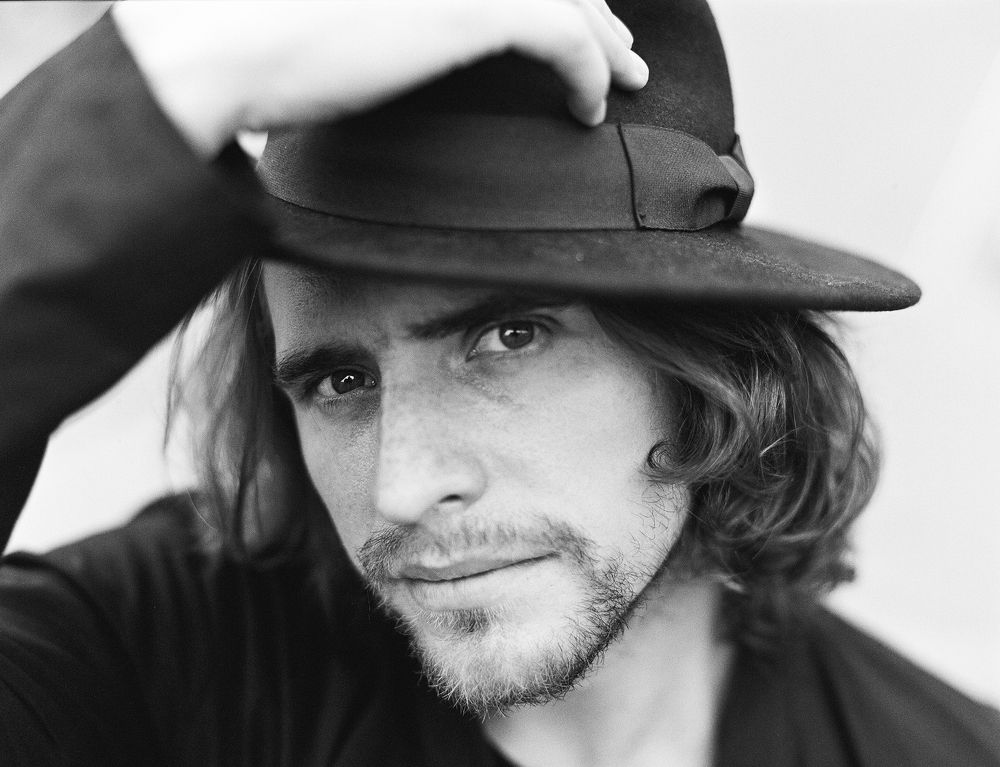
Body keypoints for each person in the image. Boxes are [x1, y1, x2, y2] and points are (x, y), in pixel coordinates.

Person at [0, 1, 997, 765]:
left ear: (711, 371)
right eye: (340, 379)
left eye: (508, 338)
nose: (402, 485)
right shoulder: (141, 655)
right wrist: (168, 72)